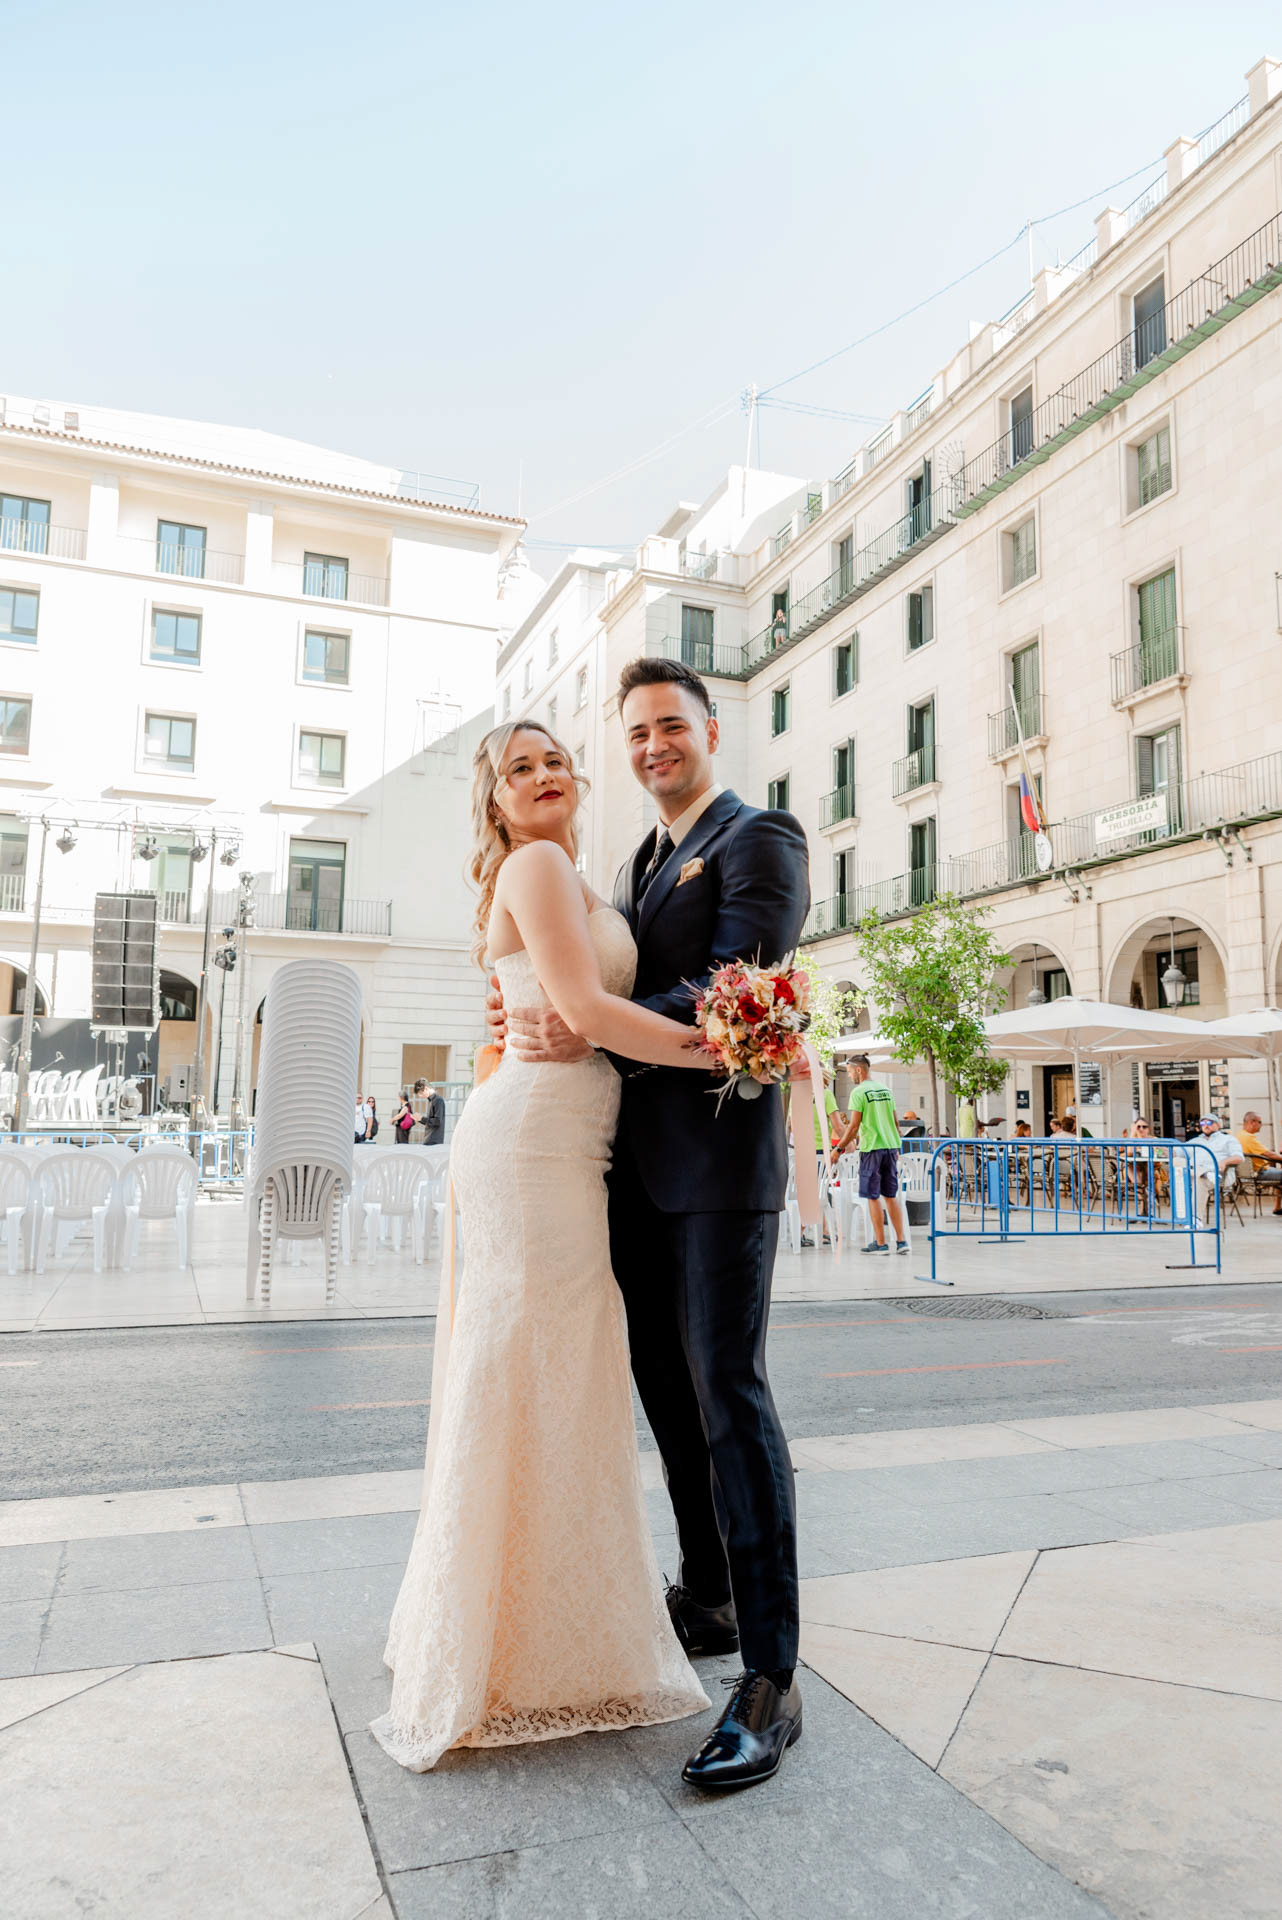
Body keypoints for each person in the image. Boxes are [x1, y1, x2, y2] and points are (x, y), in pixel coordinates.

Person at [384, 661, 812, 1793]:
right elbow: (577, 976)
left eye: (672, 724)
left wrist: (591, 1025)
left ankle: (770, 1678)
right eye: (635, 730)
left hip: (715, 1166)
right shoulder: (624, 864)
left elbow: (740, 981)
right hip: (609, 1168)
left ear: (711, 730)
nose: (652, 744)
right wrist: (533, 1000)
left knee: (728, 1394)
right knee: (667, 1400)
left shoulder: (759, 836)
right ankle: (707, 1594)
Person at [833, 1053, 908, 1255]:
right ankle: (902, 1242)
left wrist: (838, 1149)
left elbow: (854, 1126)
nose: (849, 1076)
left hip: (872, 1148)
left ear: (859, 1070)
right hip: (891, 1147)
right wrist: (896, 1146)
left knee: (873, 1196)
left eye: (849, 1072)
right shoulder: (886, 1090)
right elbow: (895, 1123)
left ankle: (881, 1243)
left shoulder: (859, 1092)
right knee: (890, 1195)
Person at [1195, 1113, 1243, 1214]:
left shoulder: (1228, 1139)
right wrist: (1159, 1146)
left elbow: (1239, 1157)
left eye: (1209, 1122)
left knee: (1199, 1180)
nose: (1206, 1125)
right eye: (1203, 1123)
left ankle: (1196, 1218)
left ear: (1218, 1125)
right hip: (1195, 1173)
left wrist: (1224, 1162)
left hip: (1219, 1175)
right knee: (1177, 1163)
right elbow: (1177, 1152)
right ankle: (1181, 1216)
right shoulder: (1196, 1141)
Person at [1236, 1111, 1282, 1216]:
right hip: (1259, 1173)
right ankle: (1277, 1208)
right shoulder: (1249, 1137)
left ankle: (1277, 1208)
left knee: (1279, 1176)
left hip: (1246, 1174)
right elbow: (1269, 1154)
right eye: (1260, 1122)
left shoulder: (1239, 1135)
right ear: (1252, 1122)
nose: (1261, 1125)